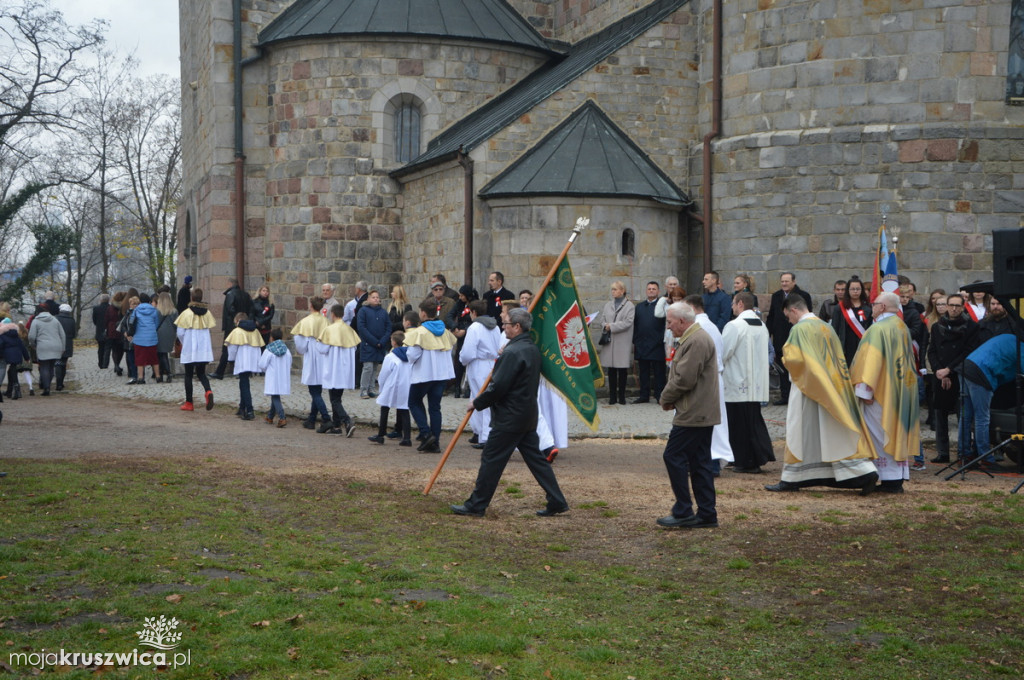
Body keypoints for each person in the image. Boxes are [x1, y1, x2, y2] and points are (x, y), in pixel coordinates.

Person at [451, 308, 569, 518]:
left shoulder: (513, 352)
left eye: (505, 323)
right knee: (536, 460)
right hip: (525, 414)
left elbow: (498, 387)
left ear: (517, 326)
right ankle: (557, 500)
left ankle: (476, 505)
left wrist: (477, 403)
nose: (502, 327)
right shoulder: (528, 347)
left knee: (491, 459)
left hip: (510, 418)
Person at [764, 295, 878, 494]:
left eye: (787, 316)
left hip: (807, 387)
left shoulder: (799, 329)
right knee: (831, 433)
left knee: (800, 432)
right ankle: (861, 473)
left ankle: (791, 479)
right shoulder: (827, 327)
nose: (788, 321)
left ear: (793, 310)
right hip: (831, 387)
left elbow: (795, 360)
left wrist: (785, 358)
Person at [655, 301, 720, 529]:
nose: (669, 327)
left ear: (682, 321)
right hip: (699, 411)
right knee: (699, 461)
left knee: (673, 455)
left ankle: (684, 510)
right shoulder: (694, 338)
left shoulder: (696, 340)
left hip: (694, 413)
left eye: (670, 322)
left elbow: (684, 378)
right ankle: (706, 514)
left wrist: (665, 398)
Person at [850, 292, 920, 493]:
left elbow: (870, 362)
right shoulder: (901, 327)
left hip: (881, 392)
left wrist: (864, 391)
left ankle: (887, 479)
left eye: (874, 304)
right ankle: (896, 479)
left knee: (880, 433)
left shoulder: (878, 329)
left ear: (881, 307)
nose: (872, 307)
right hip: (900, 389)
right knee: (895, 431)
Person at [722, 292, 775, 474]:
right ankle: (752, 458)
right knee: (751, 421)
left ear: (741, 304)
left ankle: (744, 460)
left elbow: (723, 353)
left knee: (738, 424)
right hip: (755, 385)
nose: (731, 307)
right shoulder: (761, 325)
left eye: (733, 303)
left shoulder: (734, 326)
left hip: (737, 383)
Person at [686, 294, 734, 474]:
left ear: (692, 308)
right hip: (712, 378)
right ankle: (704, 462)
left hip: (706, 380)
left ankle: (709, 464)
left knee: (707, 423)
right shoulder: (710, 326)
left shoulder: (700, 328)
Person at [927, 293, 973, 463]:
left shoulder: (971, 327)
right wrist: (939, 370)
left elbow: (968, 351)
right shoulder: (937, 326)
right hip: (940, 376)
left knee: (963, 415)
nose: (954, 308)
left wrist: (949, 370)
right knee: (940, 415)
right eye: (951, 305)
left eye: (957, 306)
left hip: (960, 374)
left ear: (962, 307)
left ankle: (963, 452)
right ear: (946, 306)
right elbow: (931, 351)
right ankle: (943, 452)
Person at [406, 300, 457, 452]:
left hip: (424, 373)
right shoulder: (445, 332)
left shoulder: (420, 332)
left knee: (413, 402)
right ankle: (435, 443)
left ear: (422, 313)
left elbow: (412, 355)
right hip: (441, 375)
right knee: (435, 407)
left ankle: (426, 434)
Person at [459, 299, 501, 448]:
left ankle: (486, 436)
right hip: (491, 363)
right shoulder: (495, 327)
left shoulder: (475, 327)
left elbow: (469, 351)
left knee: (482, 399)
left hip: (479, 364)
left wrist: (462, 359)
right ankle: (478, 431)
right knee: (476, 396)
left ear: (474, 312)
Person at [766, 272, 812, 405]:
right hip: (780, 337)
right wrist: (768, 333)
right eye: (782, 282)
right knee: (782, 367)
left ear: (794, 282)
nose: (784, 284)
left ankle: (798, 395)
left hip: (796, 336)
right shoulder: (776, 296)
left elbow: (806, 315)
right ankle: (785, 396)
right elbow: (771, 316)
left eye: (786, 281)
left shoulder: (803, 296)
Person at [316, 303, 359, 436]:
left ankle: (347, 421)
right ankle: (336, 426)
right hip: (345, 369)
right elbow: (354, 347)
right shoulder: (349, 330)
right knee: (337, 398)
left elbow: (322, 349)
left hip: (333, 369)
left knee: (334, 399)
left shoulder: (329, 329)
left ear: (333, 314)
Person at [291, 296, 331, 429]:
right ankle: (312, 419)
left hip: (312, 354)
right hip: (323, 354)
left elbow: (299, 340)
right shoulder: (326, 321)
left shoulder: (306, 321)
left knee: (314, 390)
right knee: (317, 389)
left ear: (311, 306)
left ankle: (326, 418)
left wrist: (304, 348)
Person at [367, 330, 413, 446]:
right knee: (404, 409)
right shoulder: (410, 356)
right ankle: (407, 438)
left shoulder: (390, 356)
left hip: (392, 385)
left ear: (394, 342)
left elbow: (384, 374)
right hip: (406, 385)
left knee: (385, 408)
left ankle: (381, 434)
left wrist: (381, 387)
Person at [594, 280, 635, 405]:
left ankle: (621, 396)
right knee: (611, 370)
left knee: (622, 371)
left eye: (615, 289)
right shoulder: (608, 305)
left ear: (622, 291)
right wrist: (605, 325)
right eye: (612, 289)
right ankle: (612, 396)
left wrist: (611, 326)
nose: (613, 292)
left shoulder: (629, 306)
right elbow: (602, 319)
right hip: (610, 341)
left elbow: (628, 322)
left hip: (622, 341)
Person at [174, 288, 216, 411]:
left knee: (188, 375)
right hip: (203, 349)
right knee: (201, 373)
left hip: (190, 348)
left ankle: (189, 402)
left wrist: (184, 343)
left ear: (191, 298)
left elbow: (180, 332)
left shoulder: (186, 313)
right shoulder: (207, 313)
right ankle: (208, 391)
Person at [225, 312, 264, 420]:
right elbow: (259, 346)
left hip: (242, 360)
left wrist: (231, 360)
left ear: (238, 321)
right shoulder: (255, 331)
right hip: (252, 360)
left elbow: (232, 348)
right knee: (244, 382)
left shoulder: (237, 331)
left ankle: (250, 410)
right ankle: (242, 408)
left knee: (244, 385)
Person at [212, 278, 253, 379]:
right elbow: (250, 309)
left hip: (232, 325)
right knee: (242, 348)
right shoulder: (245, 294)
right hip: (244, 324)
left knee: (227, 348)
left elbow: (230, 309)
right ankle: (245, 370)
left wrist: (237, 320)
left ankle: (220, 372)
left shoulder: (231, 294)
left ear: (230, 284)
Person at [633, 281, 666, 404]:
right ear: (646, 291)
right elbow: (635, 325)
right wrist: (636, 340)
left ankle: (659, 395)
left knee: (659, 373)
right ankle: (644, 395)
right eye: (649, 289)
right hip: (642, 344)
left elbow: (665, 325)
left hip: (657, 344)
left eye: (654, 289)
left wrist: (660, 339)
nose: (651, 291)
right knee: (644, 372)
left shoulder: (662, 306)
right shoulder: (639, 307)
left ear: (658, 291)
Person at [831, 275, 872, 367]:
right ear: (848, 291)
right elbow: (835, 329)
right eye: (852, 289)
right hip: (846, 346)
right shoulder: (840, 307)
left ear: (862, 290)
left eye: (858, 289)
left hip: (863, 344)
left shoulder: (868, 307)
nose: (855, 291)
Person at [357, 288, 390, 399]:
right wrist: (374, 341)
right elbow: (362, 328)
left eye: (377, 297)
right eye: (373, 297)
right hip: (368, 344)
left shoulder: (383, 312)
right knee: (368, 367)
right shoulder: (363, 311)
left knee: (375, 367)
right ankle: (363, 389)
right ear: (368, 299)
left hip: (380, 344)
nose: (376, 299)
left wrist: (382, 341)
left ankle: (371, 388)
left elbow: (388, 327)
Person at [27, 302, 66, 396]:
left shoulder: (36, 321)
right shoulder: (55, 320)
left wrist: (33, 345)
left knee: (44, 367)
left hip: (43, 346)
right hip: (56, 346)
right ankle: (48, 384)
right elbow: (62, 335)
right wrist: (63, 347)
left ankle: (46, 387)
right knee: (51, 367)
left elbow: (31, 336)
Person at [448, 284, 479, 398]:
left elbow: (475, 319)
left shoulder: (475, 304)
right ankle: (457, 386)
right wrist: (454, 327)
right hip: (459, 332)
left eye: (462, 295)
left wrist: (465, 331)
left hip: (469, 332)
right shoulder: (459, 304)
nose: (460, 297)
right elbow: (450, 315)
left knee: (470, 360)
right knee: (459, 361)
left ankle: (469, 388)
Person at [258, 328, 292, 427]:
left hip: (273, 376)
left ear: (271, 338)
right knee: (275, 395)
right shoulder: (286, 350)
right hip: (283, 376)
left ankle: (282, 417)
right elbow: (289, 362)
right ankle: (270, 417)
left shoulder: (269, 350)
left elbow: (262, 364)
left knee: (275, 396)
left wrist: (265, 370)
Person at [128, 293, 161, 385]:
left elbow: (132, 322)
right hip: (151, 337)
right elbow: (156, 323)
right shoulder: (154, 310)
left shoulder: (136, 310)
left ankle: (140, 378)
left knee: (140, 359)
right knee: (154, 358)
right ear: (149, 301)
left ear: (140, 301)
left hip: (139, 338)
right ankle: (158, 377)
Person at [1, 320, 29, 401]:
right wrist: (26, 357)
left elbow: (1, 346)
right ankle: (10, 391)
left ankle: (16, 389)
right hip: (17, 355)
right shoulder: (16, 336)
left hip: (8, 355)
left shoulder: (3, 336)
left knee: (12, 373)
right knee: (11, 372)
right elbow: (22, 347)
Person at [155, 292, 178, 383]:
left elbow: (156, 323)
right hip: (170, 333)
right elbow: (176, 324)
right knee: (164, 353)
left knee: (161, 354)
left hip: (160, 333)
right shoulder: (174, 311)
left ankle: (166, 373)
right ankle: (165, 373)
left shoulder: (158, 311)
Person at [54, 303, 77, 392]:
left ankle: (58, 383)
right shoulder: (72, 320)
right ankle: (61, 383)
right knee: (63, 363)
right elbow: (74, 334)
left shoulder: (56, 319)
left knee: (57, 363)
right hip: (67, 343)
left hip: (57, 342)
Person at [106, 292, 126, 376]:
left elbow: (106, 319)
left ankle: (116, 365)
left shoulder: (110, 307)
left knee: (114, 350)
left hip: (112, 330)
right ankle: (117, 364)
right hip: (121, 329)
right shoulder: (123, 308)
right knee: (121, 349)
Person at [92, 294, 112, 369]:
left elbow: (94, 320)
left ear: (100, 300)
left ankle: (100, 363)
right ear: (108, 300)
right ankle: (105, 364)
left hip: (99, 331)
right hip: (109, 330)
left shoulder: (96, 308)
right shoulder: (111, 308)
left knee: (100, 348)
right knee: (107, 348)